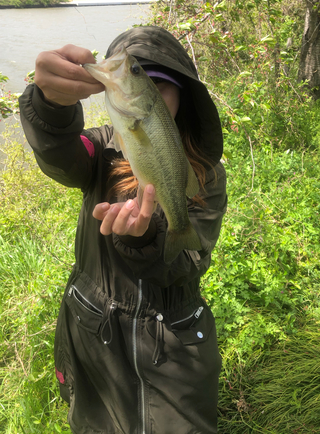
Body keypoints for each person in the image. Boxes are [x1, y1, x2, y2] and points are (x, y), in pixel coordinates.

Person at [19, 26, 227, 434]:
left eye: (160, 83)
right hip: (96, 338)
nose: (148, 86)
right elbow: (60, 153)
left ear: (181, 95)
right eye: (138, 73)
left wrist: (146, 238)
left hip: (176, 347)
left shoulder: (208, 175)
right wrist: (51, 107)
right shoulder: (99, 150)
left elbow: (188, 263)